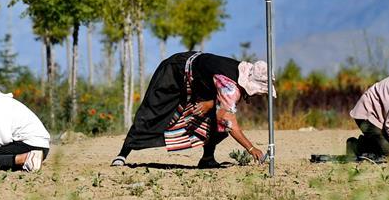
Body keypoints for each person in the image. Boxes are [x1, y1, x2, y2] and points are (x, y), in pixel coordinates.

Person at [111, 51, 272, 169]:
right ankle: (123, 154)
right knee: (153, 111)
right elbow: (228, 121)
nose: (260, 95)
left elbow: (220, 103)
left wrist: (210, 104)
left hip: (195, 81)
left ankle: (207, 159)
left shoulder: (235, 75)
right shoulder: (230, 86)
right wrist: (251, 148)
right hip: (174, 70)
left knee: (215, 119)